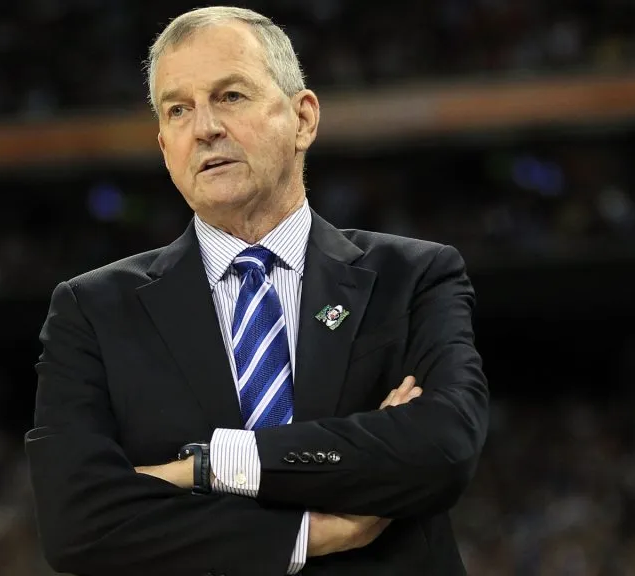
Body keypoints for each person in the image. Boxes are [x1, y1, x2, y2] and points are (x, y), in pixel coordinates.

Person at [25, 6, 489, 575]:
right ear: (164, 145)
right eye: (178, 109)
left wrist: (207, 465)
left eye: (231, 97)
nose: (205, 127)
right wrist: (306, 535)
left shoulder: (414, 276)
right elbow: (77, 521)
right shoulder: (91, 310)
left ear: (303, 119)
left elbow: (442, 446)